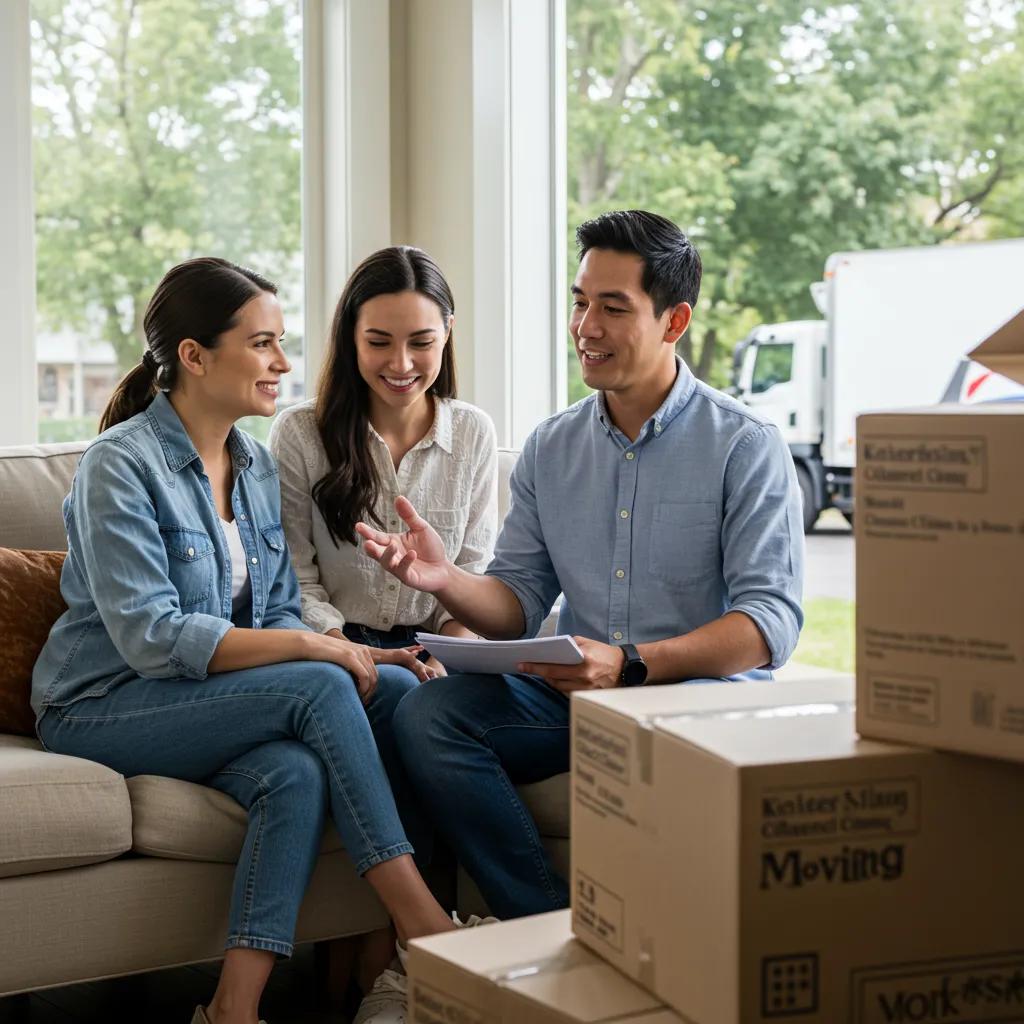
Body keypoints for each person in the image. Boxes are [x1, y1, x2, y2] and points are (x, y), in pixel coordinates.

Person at [31, 258, 463, 1024]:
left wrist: (364, 650)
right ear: (194, 356)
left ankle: (233, 1009)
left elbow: (275, 611)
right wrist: (314, 652)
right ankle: (424, 926)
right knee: (323, 682)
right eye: (263, 344)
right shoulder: (117, 466)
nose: (284, 364)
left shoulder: (255, 465)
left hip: (196, 698)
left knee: (323, 745)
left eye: (282, 343)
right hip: (101, 703)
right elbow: (151, 637)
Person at [356, 210, 805, 920]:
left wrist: (629, 662)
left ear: (674, 320)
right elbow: (520, 601)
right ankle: (539, 926)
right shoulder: (552, 446)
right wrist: (446, 582)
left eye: (613, 308)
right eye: (579, 301)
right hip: (579, 697)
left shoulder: (744, 445)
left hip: (698, 697)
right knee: (428, 715)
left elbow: (770, 622)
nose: (585, 326)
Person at [268, 245, 497, 680]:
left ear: (447, 332)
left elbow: (471, 572)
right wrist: (349, 652)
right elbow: (292, 576)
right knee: (398, 693)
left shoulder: (473, 432)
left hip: (441, 647)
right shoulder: (300, 433)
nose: (401, 363)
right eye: (378, 342)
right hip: (333, 644)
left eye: (421, 342)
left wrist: (443, 660)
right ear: (351, 336)